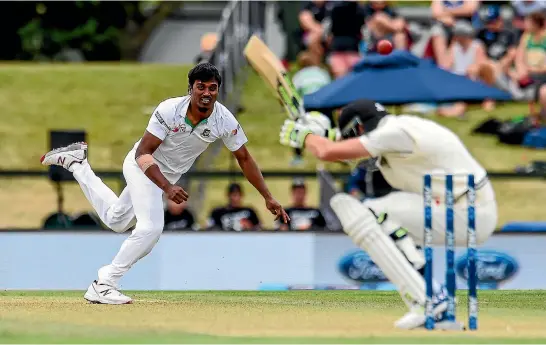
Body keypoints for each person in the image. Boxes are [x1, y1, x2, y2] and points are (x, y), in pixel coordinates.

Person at [40, 62, 289, 304]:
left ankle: (77, 164)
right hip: (143, 167)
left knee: (117, 220)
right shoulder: (169, 110)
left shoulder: (224, 120)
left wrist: (268, 197)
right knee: (150, 229)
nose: (206, 93)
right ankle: (104, 284)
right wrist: (167, 187)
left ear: (217, 91)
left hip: (165, 178)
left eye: (212, 88)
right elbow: (143, 154)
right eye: (200, 87)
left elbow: (244, 159)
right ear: (190, 89)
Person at [279, 99, 497, 329]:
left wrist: (303, 137)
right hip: (458, 207)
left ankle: (430, 300)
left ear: (360, 128)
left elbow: (328, 151)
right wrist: (320, 133)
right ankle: (433, 304)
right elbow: (346, 150)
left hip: (469, 210)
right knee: (385, 216)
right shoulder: (394, 130)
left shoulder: (395, 132)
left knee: (371, 213)